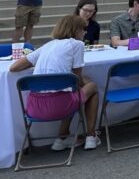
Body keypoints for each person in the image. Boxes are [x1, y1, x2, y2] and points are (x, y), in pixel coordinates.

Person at [10, 15, 100, 150]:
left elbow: (14, 67)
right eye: (83, 29)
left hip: (35, 108)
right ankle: (90, 136)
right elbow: (76, 79)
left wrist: (42, 66)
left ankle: (62, 139)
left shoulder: (48, 46)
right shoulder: (77, 44)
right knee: (90, 87)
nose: (85, 32)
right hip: (62, 105)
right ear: (75, 30)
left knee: (69, 91)